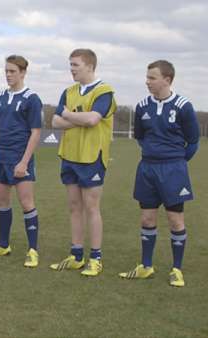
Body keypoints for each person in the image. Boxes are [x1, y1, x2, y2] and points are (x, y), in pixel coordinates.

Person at [118, 60, 199, 287]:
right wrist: (153, 155)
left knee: (175, 220)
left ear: (167, 80)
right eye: (147, 77)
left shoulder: (184, 106)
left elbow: (192, 142)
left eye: (152, 78)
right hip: (147, 168)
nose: (147, 81)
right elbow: (140, 137)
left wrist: (178, 163)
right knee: (146, 218)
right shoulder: (143, 106)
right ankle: (146, 266)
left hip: (174, 169)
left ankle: (176, 269)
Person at [49, 48, 116, 277]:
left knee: (91, 208)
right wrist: (74, 118)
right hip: (69, 155)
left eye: (75, 65)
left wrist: (69, 115)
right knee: (74, 207)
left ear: (90, 66)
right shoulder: (68, 91)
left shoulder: (104, 91)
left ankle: (95, 258)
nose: (72, 69)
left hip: (92, 157)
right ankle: (76, 255)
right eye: (70, 65)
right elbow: (55, 122)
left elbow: (93, 119)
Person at [0, 55, 42, 268]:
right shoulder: (0, 98)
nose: (8, 75)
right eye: (6, 71)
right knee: (2, 203)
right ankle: (3, 244)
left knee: (26, 203)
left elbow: (35, 133)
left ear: (23, 73)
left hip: (20, 159)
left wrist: (24, 162)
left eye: (12, 71)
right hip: (1, 159)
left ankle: (33, 250)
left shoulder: (32, 98)